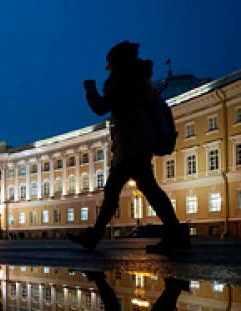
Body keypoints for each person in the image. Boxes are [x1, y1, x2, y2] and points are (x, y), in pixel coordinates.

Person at [70, 41, 189, 254]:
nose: (108, 69)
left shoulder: (122, 81)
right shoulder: (141, 81)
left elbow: (100, 107)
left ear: (117, 63)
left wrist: (90, 90)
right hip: (140, 139)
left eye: (109, 65)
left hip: (130, 141)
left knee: (117, 190)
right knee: (145, 188)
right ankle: (176, 233)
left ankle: (95, 236)